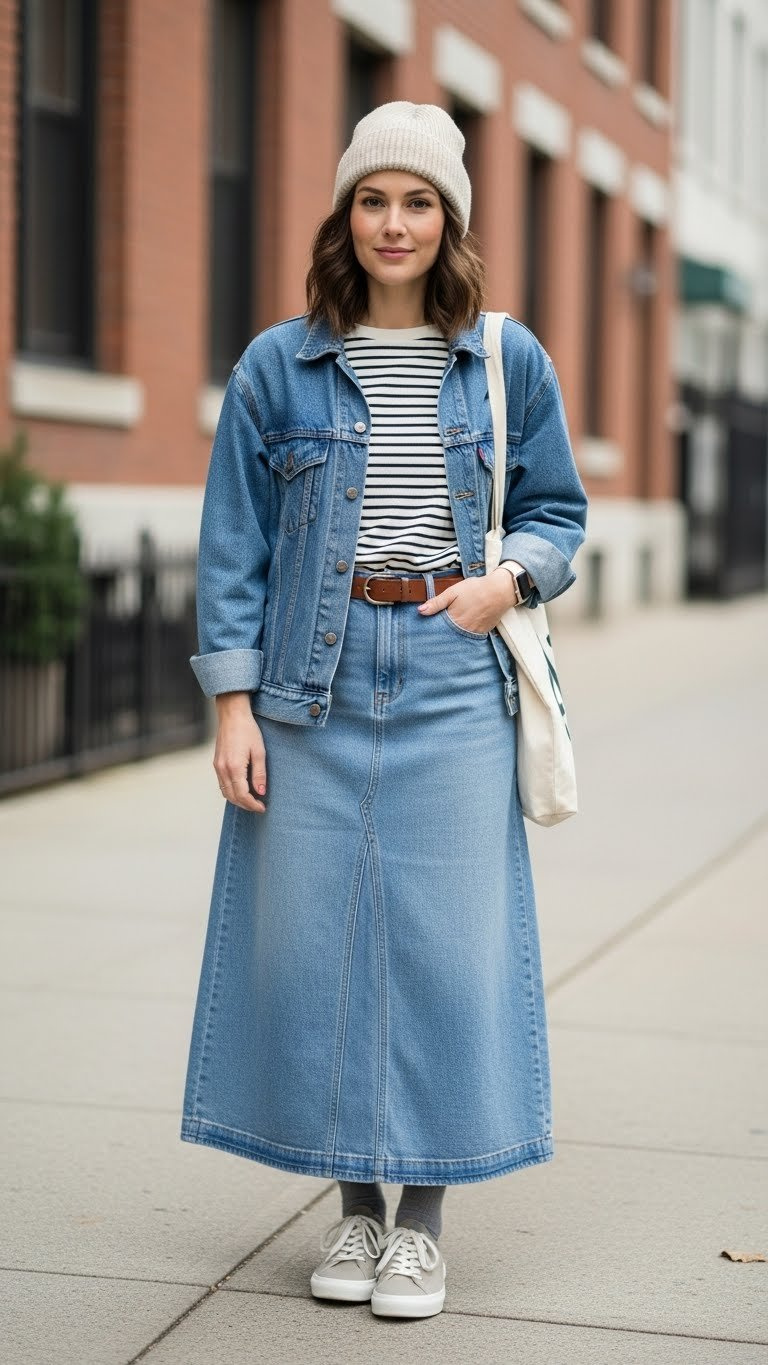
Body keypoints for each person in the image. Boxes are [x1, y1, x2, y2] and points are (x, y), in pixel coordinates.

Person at [181, 101, 587, 1321]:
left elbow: (558, 514)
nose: (394, 223)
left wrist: (503, 583)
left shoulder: (506, 359)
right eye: (373, 199)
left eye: (418, 202)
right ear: (344, 214)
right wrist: (231, 707)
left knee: (447, 954)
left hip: (452, 671)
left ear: (449, 219)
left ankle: (423, 1224)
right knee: (317, 950)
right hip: (311, 678)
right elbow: (230, 550)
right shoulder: (278, 364)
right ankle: (353, 1212)